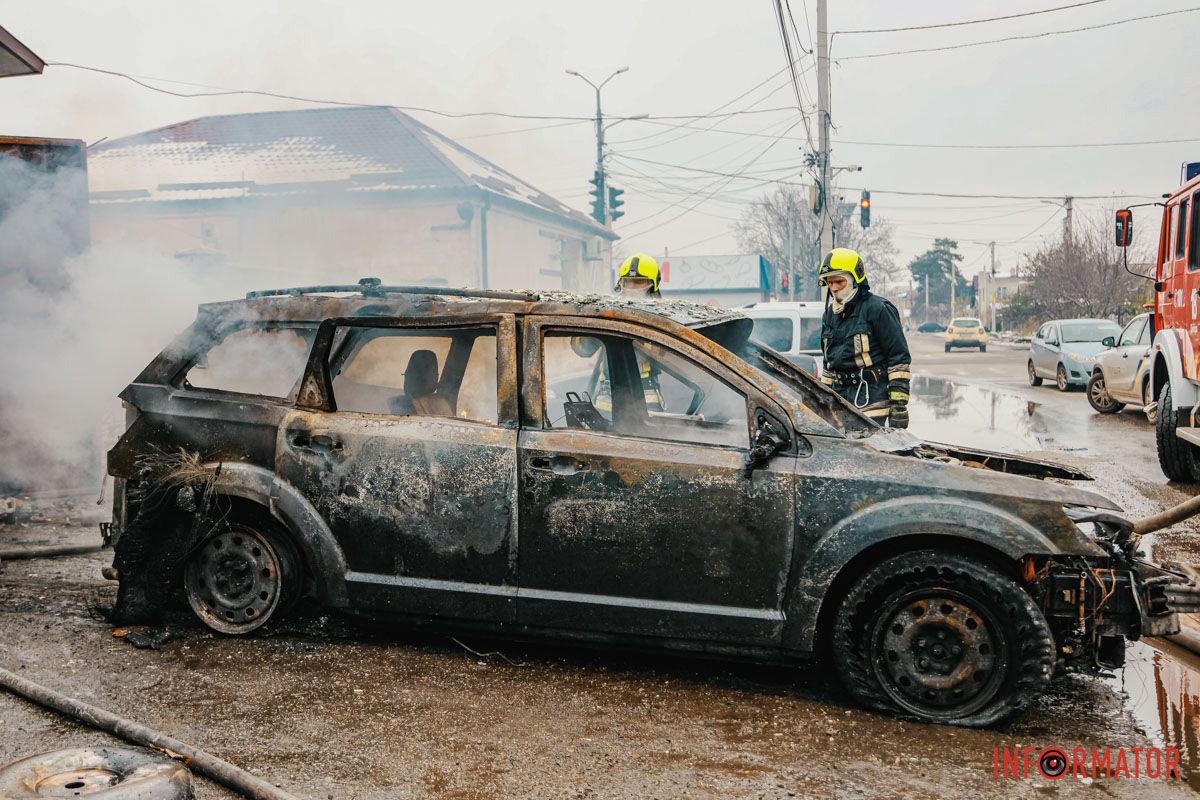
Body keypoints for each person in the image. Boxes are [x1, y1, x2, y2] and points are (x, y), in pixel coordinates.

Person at [817, 248, 911, 428]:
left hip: (872, 402)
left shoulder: (878, 309)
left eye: (839, 281)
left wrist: (899, 405)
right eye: (830, 283)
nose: (834, 288)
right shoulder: (830, 315)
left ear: (854, 279)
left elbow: (898, 358)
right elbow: (828, 364)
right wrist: (822, 398)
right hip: (839, 403)